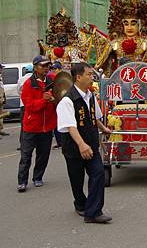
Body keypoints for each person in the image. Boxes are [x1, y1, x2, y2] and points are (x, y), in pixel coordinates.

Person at [57, 62, 112, 223]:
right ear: (78, 77)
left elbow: (94, 116)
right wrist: (81, 144)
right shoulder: (67, 101)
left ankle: (93, 212)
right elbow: (70, 126)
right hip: (74, 148)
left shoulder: (90, 95)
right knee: (77, 180)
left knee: (98, 174)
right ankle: (80, 203)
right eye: (89, 74)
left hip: (91, 145)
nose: (92, 77)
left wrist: (103, 128)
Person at [17, 56, 56, 192]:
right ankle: (22, 181)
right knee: (26, 155)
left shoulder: (53, 82)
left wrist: (54, 100)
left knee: (43, 154)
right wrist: (45, 100)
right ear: (35, 67)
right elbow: (30, 106)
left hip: (46, 127)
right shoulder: (28, 84)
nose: (46, 68)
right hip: (31, 126)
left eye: (48, 65)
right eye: (43, 65)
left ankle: (38, 177)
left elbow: (59, 99)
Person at [16, 63, 34, 149]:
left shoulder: (21, 79)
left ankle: (23, 143)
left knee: (24, 125)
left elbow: (19, 91)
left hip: (23, 104)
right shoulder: (34, 79)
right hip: (33, 104)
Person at [0, 63, 9, 137]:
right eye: (1, 68)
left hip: (1, 98)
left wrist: (3, 97)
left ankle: (0, 129)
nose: (1, 69)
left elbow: (2, 88)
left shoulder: (0, 77)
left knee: (1, 115)